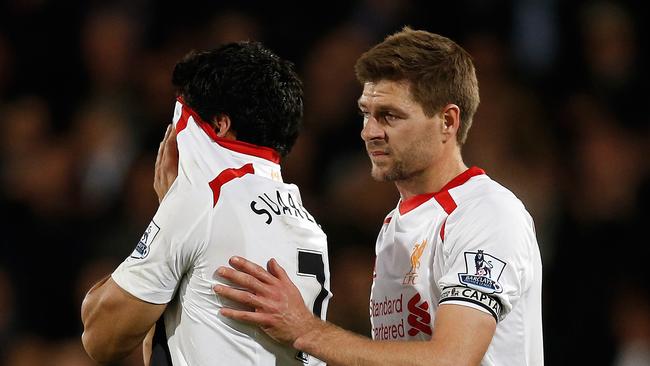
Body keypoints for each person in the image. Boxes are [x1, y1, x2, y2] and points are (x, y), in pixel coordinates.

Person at [211, 27, 544, 365]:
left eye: (389, 116)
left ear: (447, 120)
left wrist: (307, 331)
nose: (369, 132)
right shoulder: (395, 224)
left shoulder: (486, 213)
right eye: (366, 113)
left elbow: (452, 359)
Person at [80, 41, 331, 366]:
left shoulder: (204, 200)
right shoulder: (309, 225)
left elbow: (101, 337)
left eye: (180, 118)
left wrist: (169, 208)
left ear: (218, 125)